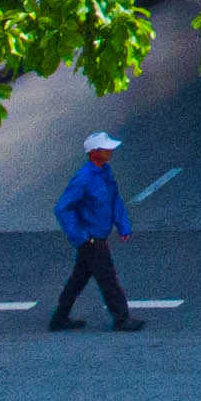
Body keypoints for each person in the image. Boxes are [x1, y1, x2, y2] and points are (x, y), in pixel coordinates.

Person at [48, 133, 143, 332]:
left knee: (79, 279)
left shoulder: (105, 173)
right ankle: (121, 319)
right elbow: (62, 208)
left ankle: (59, 318)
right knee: (108, 279)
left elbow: (114, 200)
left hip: (96, 237)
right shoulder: (83, 179)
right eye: (106, 148)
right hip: (91, 239)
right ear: (94, 152)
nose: (111, 151)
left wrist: (123, 225)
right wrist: (80, 237)